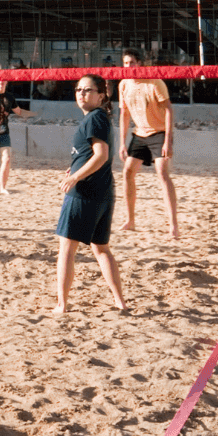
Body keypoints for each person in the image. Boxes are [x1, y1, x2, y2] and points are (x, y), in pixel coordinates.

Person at [53, 73, 125, 315]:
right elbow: (90, 155)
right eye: (78, 89)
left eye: (87, 90)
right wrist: (75, 167)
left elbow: (101, 155)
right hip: (103, 192)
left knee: (66, 249)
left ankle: (61, 305)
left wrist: (75, 177)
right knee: (101, 248)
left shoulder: (95, 118)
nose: (81, 93)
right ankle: (120, 301)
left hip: (84, 193)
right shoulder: (99, 118)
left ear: (101, 96)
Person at [117, 48, 180, 239]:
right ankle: (130, 220)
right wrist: (122, 143)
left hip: (159, 132)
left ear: (140, 64)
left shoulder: (155, 82)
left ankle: (173, 226)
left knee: (162, 173)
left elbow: (169, 110)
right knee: (127, 172)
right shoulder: (123, 84)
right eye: (126, 63)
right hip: (139, 134)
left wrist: (168, 140)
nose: (129, 66)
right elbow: (124, 115)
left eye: (132, 63)